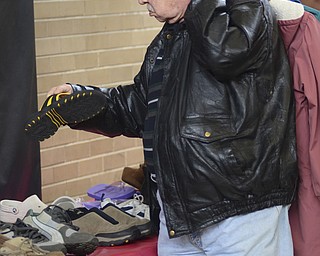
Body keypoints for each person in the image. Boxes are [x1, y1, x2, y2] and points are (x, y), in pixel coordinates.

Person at [44, 0, 298, 255]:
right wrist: (84, 101)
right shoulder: (169, 38)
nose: (142, 1)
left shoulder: (247, 11)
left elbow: (224, 54)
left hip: (240, 217)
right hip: (177, 217)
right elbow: (139, 108)